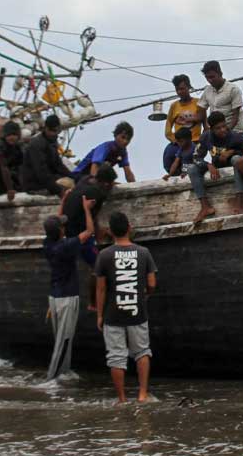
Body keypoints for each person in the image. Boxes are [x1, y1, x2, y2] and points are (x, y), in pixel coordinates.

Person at [94, 211, 158, 404]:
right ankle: (142, 395)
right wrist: (144, 295)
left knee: (116, 357)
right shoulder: (143, 252)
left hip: (113, 315)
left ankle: (122, 399)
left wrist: (99, 315)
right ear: (129, 228)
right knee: (142, 352)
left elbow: (101, 289)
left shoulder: (104, 255)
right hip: (137, 312)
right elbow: (152, 283)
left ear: (111, 232)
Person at [42, 193, 96, 379]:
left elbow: (56, 226)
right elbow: (89, 231)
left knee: (61, 338)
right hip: (67, 297)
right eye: (62, 226)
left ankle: (64, 371)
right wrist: (87, 210)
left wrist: (63, 202)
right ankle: (52, 379)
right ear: (60, 231)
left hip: (54, 298)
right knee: (64, 340)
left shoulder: (48, 243)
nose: (65, 227)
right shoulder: (66, 246)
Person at [188, 110, 243, 223]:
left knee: (237, 160)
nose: (222, 130)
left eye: (224, 126)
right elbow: (196, 157)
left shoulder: (235, 137)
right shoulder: (206, 137)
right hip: (217, 167)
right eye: (218, 128)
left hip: (232, 164)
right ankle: (205, 207)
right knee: (192, 168)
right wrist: (208, 165)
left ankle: (240, 203)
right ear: (211, 129)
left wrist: (231, 152)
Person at [61, 164, 119, 269]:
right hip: (78, 233)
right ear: (106, 184)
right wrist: (99, 235)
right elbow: (93, 217)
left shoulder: (85, 179)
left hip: (66, 227)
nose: (112, 185)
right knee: (99, 266)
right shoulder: (98, 193)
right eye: (111, 183)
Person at [21, 114, 75, 197]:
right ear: (46, 128)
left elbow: (58, 165)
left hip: (48, 179)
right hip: (35, 184)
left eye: (57, 131)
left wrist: (75, 177)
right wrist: (58, 190)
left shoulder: (51, 143)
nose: (54, 133)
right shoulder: (36, 145)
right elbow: (41, 172)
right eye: (52, 130)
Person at [196, 60, 243, 133]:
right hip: (216, 132)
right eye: (207, 78)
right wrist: (205, 126)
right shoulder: (207, 90)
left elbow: (235, 116)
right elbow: (201, 108)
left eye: (212, 77)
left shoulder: (233, 89)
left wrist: (225, 131)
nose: (210, 80)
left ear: (220, 74)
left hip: (235, 131)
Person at [165, 74, 202, 144]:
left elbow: (205, 122)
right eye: (177, 89)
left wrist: (203, 140)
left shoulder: (198, 103)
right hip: (180, 144)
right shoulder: (174, 106)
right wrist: (174, 140)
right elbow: (168, 129)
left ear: (188, 87)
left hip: (195, 142)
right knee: (168, 153)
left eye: (182, 89)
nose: (179, 92)